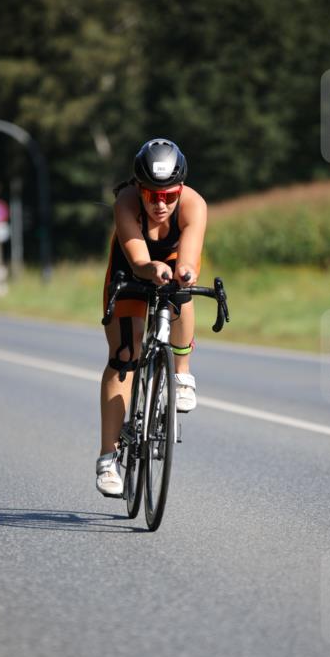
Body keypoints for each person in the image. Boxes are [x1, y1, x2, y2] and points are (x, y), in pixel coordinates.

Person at [96, 138, 207, 497]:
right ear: (139, 188)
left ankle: (183, 374)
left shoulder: (193, 205)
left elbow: (188, 259)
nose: (161, 204)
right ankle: (108, 459)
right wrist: (148, 268)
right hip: (130, 268)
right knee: (125, 356)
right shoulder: (126, 203)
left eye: (169, 195)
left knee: (181, 287)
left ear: (181, 189)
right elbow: (138, 258)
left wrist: (183, 273)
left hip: (172, 263)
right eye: (152, 195)